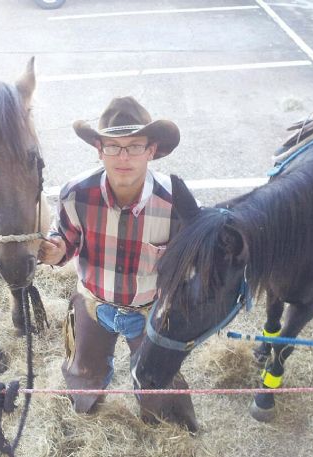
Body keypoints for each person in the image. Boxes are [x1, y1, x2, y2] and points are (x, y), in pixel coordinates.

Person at [39, 96, 197, 431]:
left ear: (151, 150)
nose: (123, 157)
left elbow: (189, 265)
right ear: (99, 150)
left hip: (151, 312)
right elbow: (65, 241)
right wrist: (54, 251)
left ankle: (162, 424)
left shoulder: (175, 201)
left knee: (158, 381)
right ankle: (86, 410)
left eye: (135, 146)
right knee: (83, 372)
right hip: (94, 305)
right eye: (113, 146)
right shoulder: (75, 194)